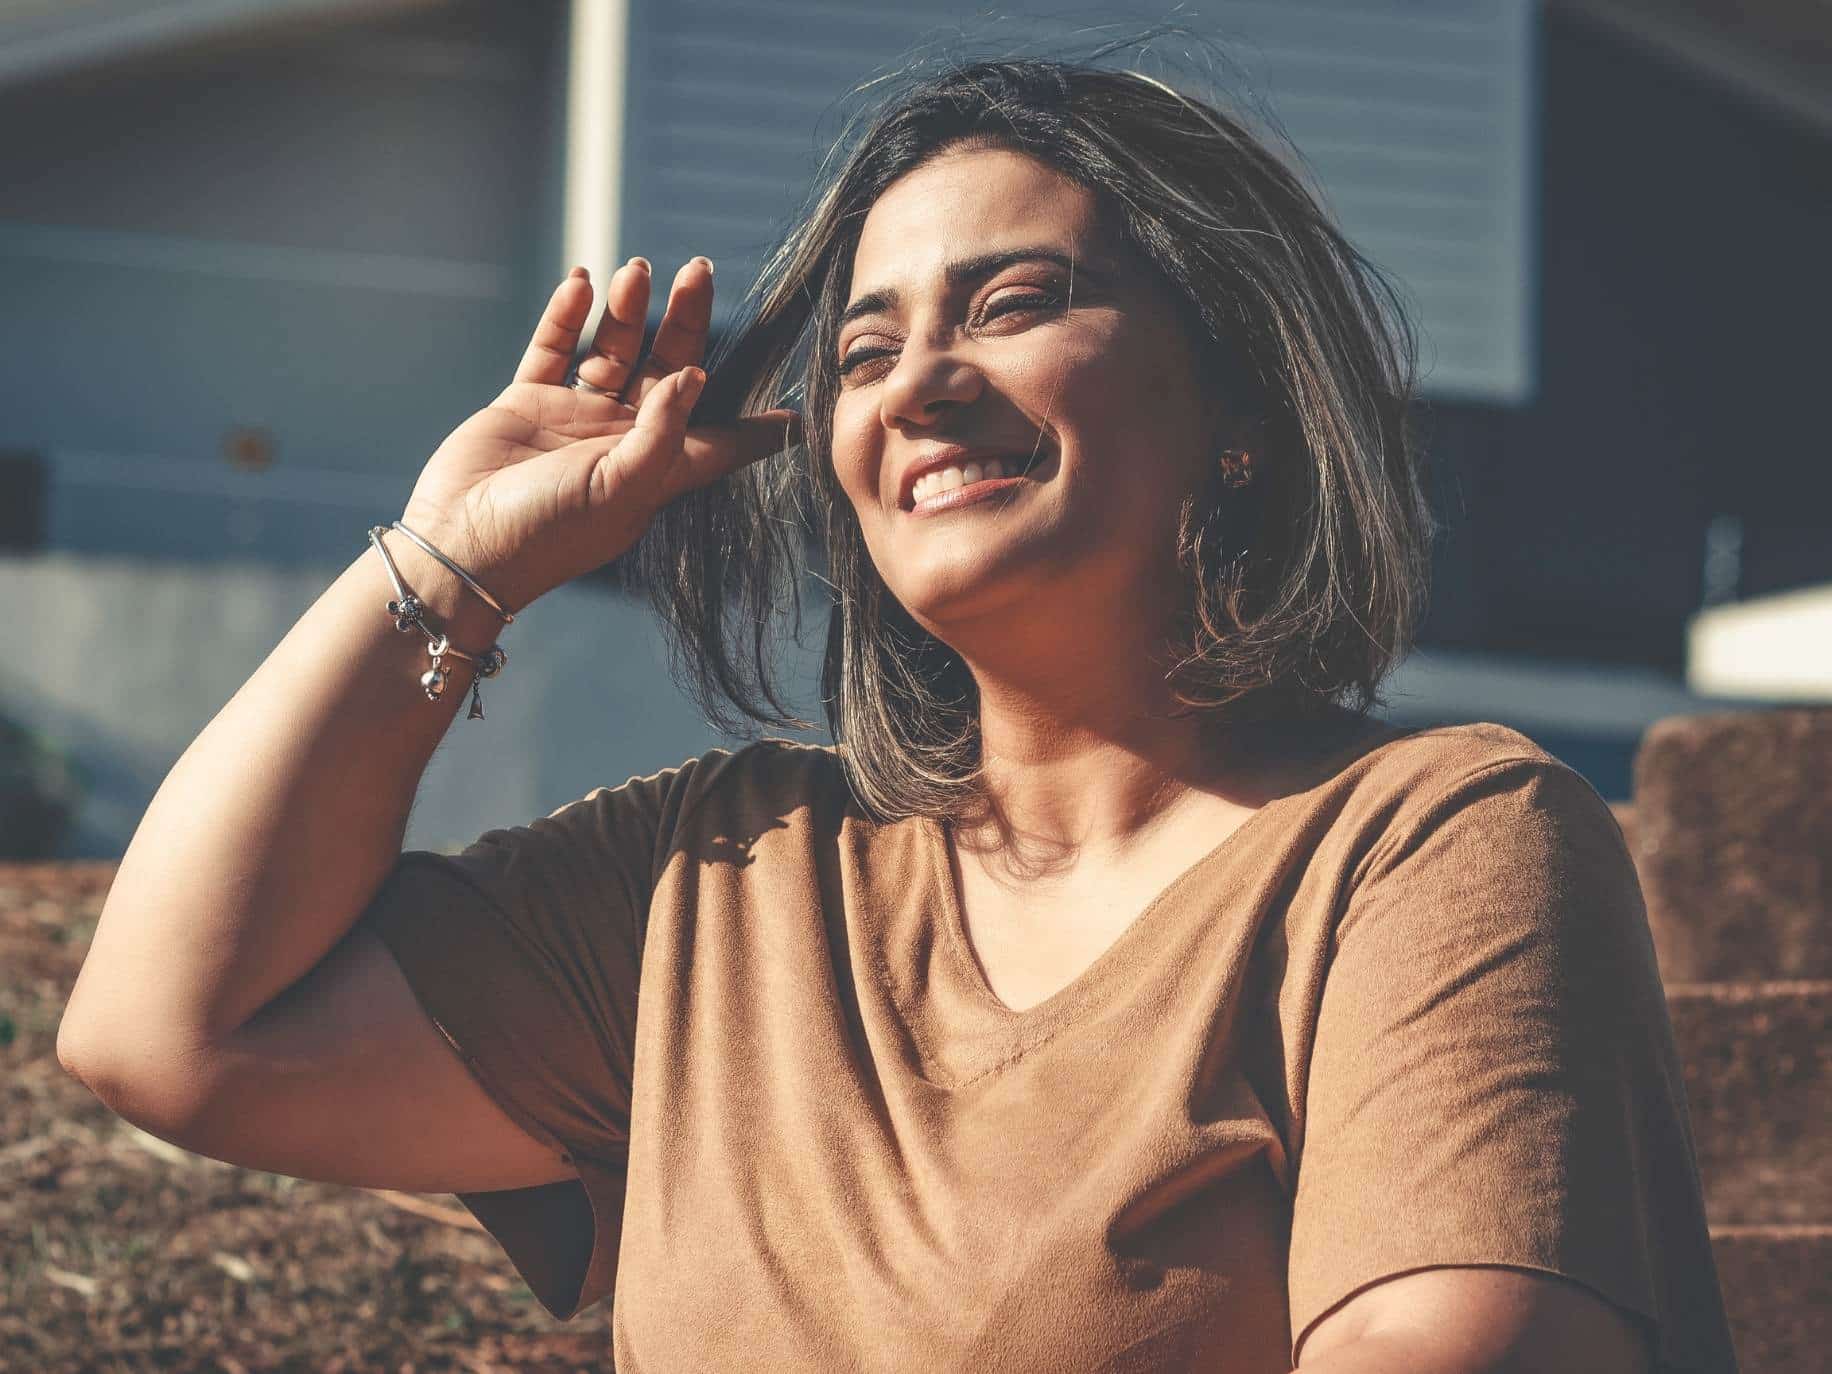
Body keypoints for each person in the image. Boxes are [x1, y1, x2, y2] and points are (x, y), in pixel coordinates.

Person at [57, 51, 1736, 1374]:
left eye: (1010, 305)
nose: (921, 380)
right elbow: (172, 1034)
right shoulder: (719, 878)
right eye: (866, 348)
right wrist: (451, 560)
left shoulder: (1427, 841)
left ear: (1237, 399)